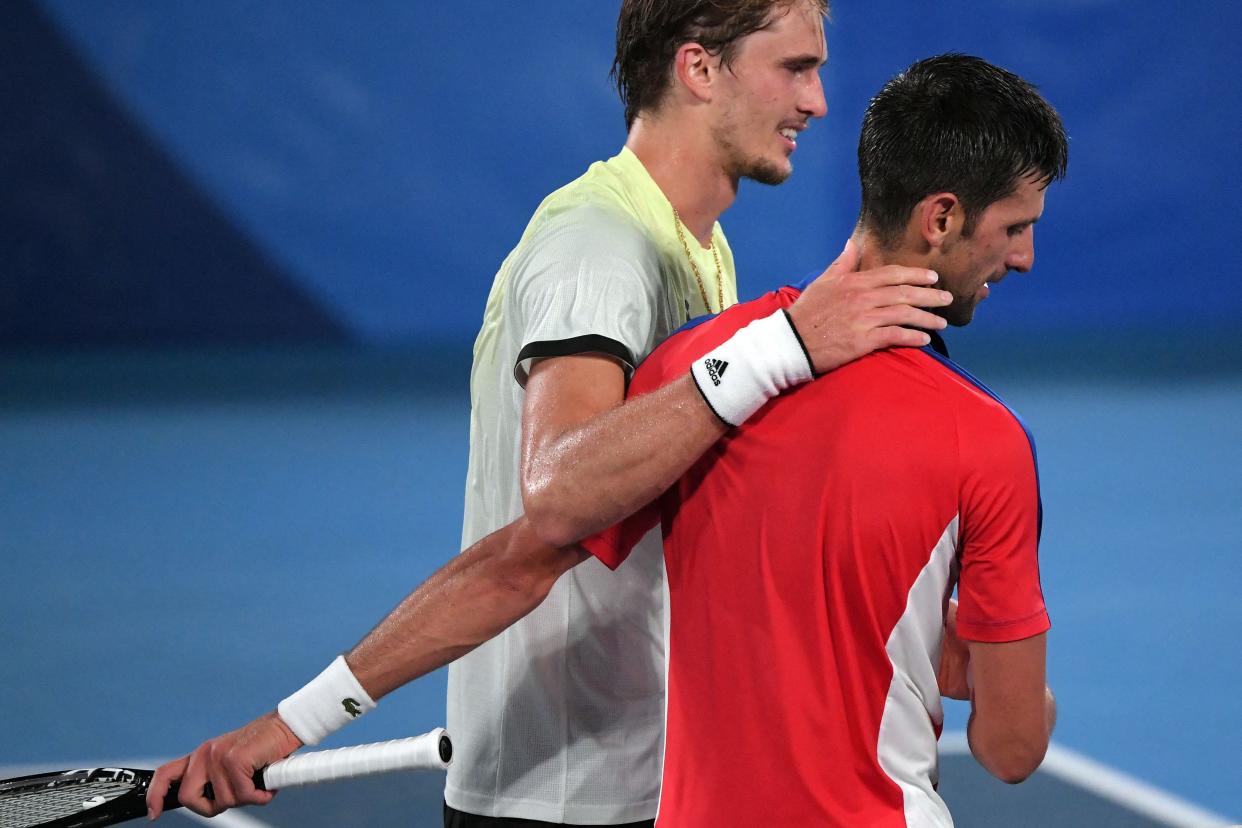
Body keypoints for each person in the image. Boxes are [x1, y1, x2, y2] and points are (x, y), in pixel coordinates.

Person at [146, 2, 954, 825]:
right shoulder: (597, 246)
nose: (818, 101)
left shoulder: (699, 248)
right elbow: (561, 496)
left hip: (646, 770)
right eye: (794, 69)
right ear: (700, 70)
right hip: (560, 800)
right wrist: (782, 344)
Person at [580, 53, 1068, 826]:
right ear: (939, 218)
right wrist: (1024, 692)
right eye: (1015, 227)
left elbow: (577, 544)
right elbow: (1010, 749)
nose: (1024, 257)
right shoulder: (987, 438)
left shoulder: (691, 366)